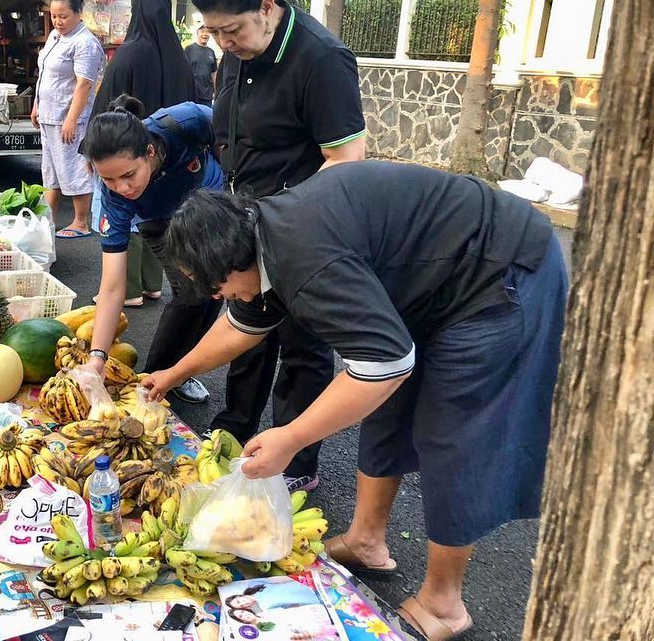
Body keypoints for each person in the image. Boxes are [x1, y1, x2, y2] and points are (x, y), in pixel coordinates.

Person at [143, 161, 568, 641]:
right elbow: (241, 325)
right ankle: (367, 540)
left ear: (232, 261)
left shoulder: (305, 258)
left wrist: (293, 436)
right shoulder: (256, 238)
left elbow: (382, 364)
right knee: (386, 405)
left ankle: (444, 604)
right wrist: (173, 374)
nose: (222, 297)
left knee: (450, 432)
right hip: (434, 280)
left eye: (218, 287)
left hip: (497, 273)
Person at [189, 0, 368, 493]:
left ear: (267, 8)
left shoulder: (321, 59)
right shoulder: (238, 53)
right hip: (248, 222)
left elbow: (346, 160)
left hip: (305, 226)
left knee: (303, 345)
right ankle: (234, 435)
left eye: (234, 30)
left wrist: (289, 220)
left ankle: (295, 461)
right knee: (247, 330)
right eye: (214, 33)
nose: (225, 42)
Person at [81, 95, 223, 407]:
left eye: (129, 175)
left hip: (209, 206)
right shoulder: (115, 198)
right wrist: (97, 358)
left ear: (149, 151)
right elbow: (113, 284)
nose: (122, 187)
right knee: (191, 292)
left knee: (216, 290)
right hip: (158, 220)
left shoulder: (187, 120)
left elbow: (231, 138)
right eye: (108, 179)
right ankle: (157, 375)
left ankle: (181, 371)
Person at [89, 0, 196, 311]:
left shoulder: (131, 51)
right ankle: (152, 285)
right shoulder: (179, 54)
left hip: (126, 148)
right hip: (163, 156)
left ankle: (129, 289)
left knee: (127, 212)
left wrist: (91, 150)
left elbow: (107, 104)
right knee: (159, 213)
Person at [32, 0, 105, 239]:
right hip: (48, 114)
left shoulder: (85, 42)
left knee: (73, 167)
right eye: (54, 16)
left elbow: (85, 83)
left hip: (68, 116)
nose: (58, 21)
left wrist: (71, 120)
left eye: (63, 16)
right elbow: (45, 75)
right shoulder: (54, 37)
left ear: (78, 14)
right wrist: (36, 106)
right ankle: (47, 221)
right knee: (50, 169)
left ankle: (81, 222)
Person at [184, 26, 218, 105]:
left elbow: (214, 74)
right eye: (202, 32)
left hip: (207, 97)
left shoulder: (211, 52)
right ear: (197, 34)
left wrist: (217, 93)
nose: (204, 34)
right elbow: (183, 71)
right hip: (191, 95)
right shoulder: (189, 49)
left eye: (207, 32)